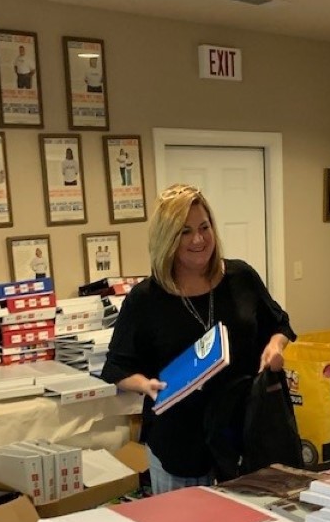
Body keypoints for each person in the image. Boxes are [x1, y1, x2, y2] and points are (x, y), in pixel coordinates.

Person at [101, 183, 296, 494]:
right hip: (181, 439)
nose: (199, 239)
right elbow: (116, 367)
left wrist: (274, 347)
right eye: (185, 231)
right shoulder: (146, 299)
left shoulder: (241, 277)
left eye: (204, 227)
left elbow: (280, 324)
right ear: (167, 239)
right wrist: (146, 386)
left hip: (245, 431)